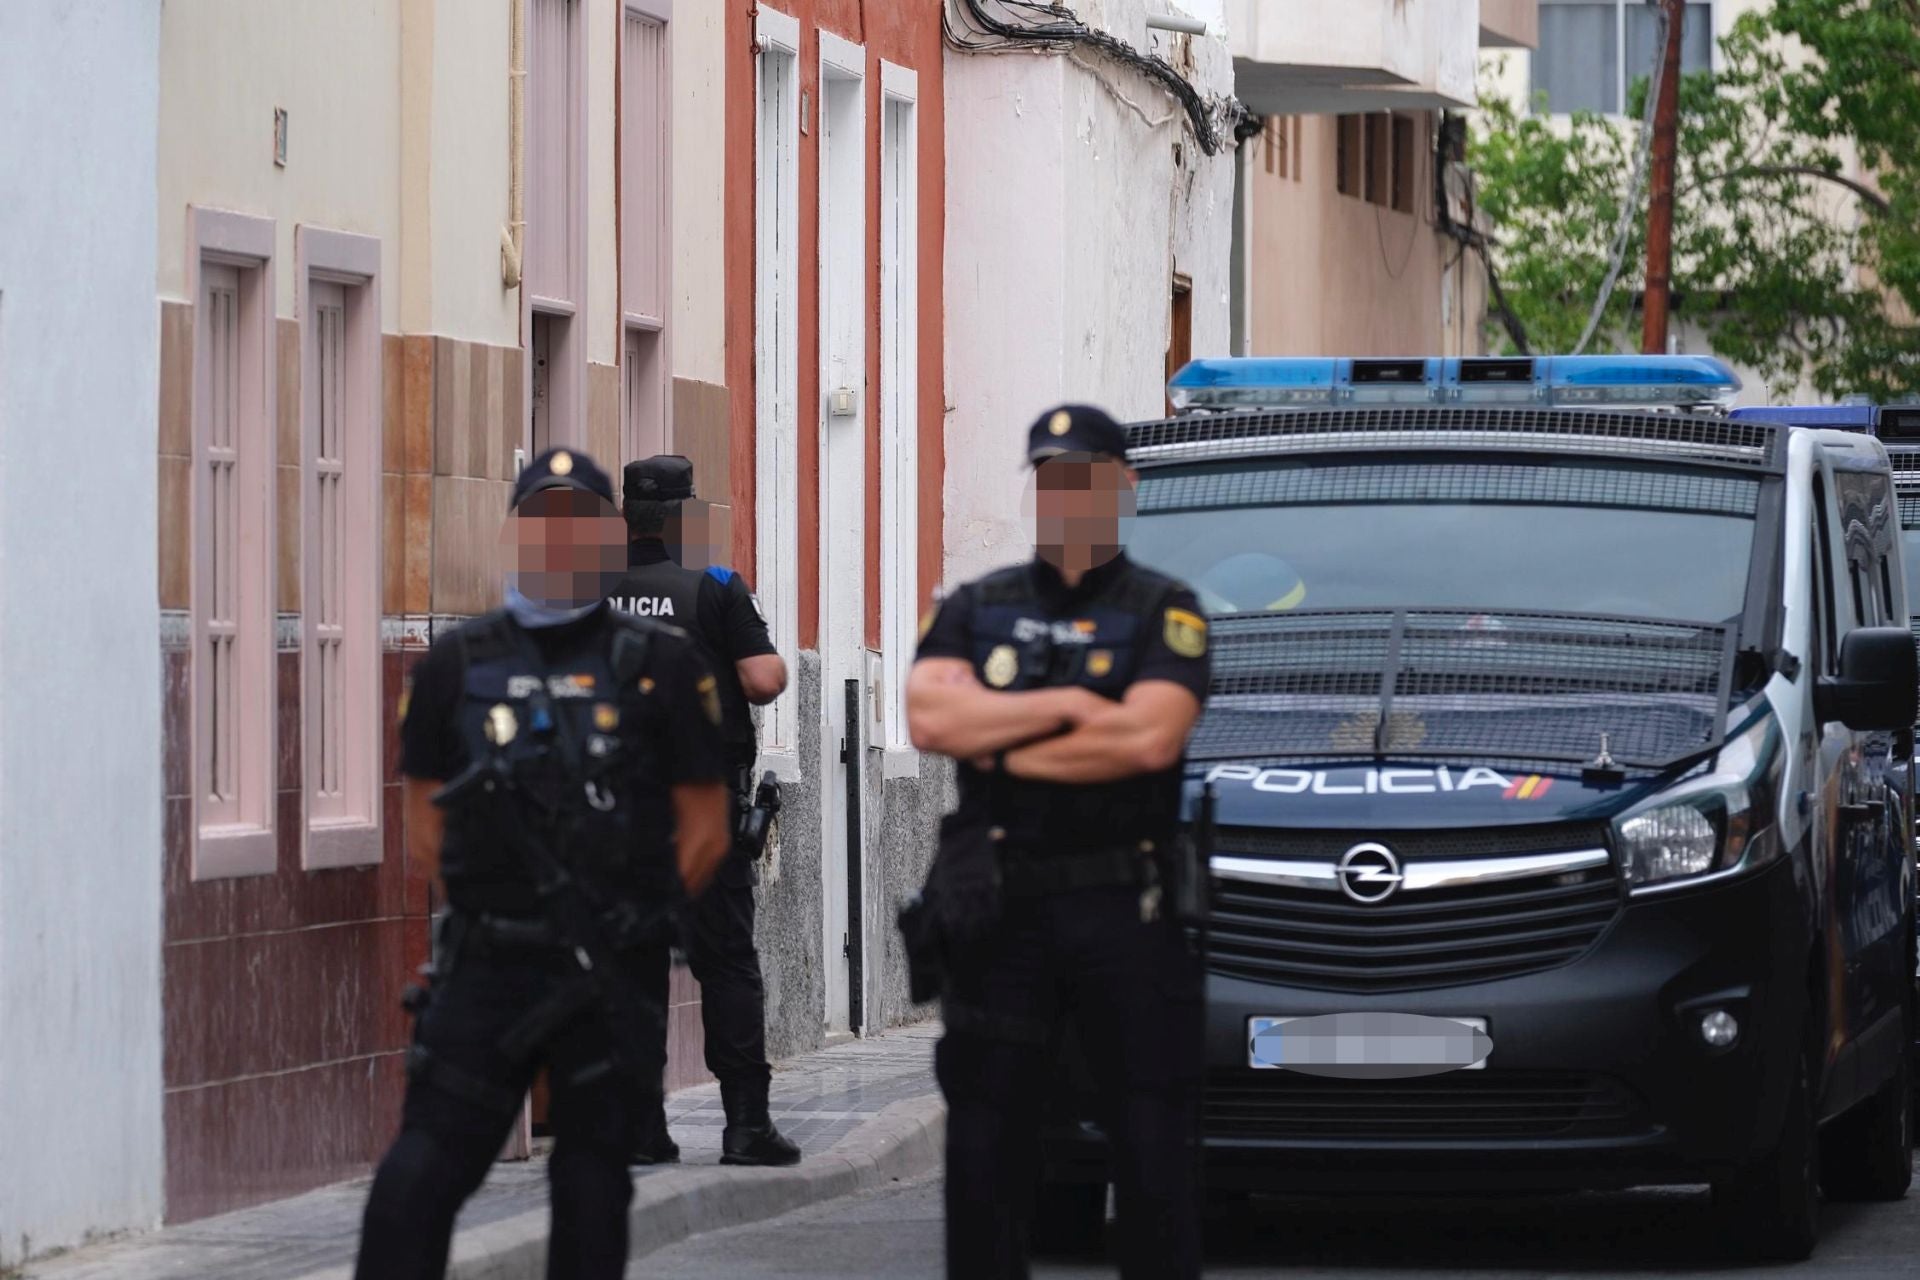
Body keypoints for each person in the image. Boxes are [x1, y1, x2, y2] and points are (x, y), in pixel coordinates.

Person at [354, 447, 734, 1280]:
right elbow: (424, 824)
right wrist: (501, 904)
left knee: (593, 1191)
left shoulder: (663, 664)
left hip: (610, 969)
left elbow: (705, 826)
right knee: (415, 1184)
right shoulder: (457, 664)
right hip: (491, 962)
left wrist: (636, 912)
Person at [907, 404, 1212, 1280]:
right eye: (1052, 481)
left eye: (1084, 479)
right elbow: (930, 716)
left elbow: (1148, 741)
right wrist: (1076, 708)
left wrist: (998, 733)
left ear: (1123, 488)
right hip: (1002, 912)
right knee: (984, 1163)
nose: (1067, 497)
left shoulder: (1166, 611)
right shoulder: (978, 606)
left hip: (1127, 914)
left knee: (1153, 1159)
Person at [608, 454, 800, 1168]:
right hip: (701, 811)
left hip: (619, 813)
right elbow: (761, 680)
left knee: (632, 964)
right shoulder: (715, 587)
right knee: (725, 963)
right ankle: (746, 1125)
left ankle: (638, 1126)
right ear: (686, 516)